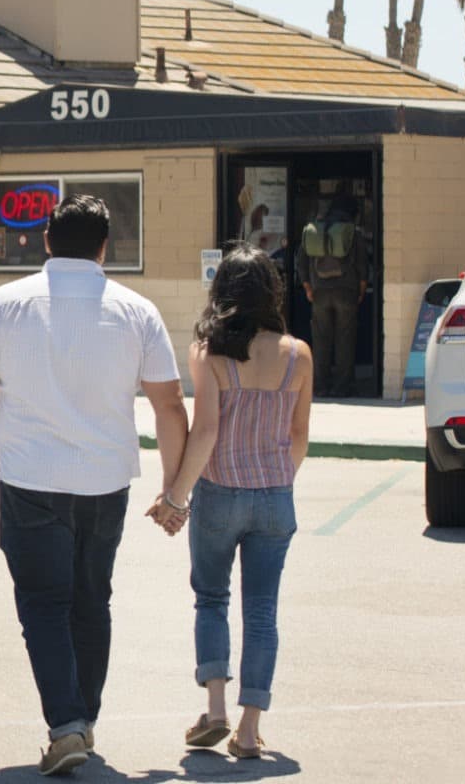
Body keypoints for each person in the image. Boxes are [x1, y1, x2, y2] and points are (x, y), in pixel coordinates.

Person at [0, 194, 191, 776]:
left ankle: (67, 725)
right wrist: (174, 487)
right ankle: (81, 719)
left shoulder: (5, 304)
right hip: (107, 483)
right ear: (106, 247)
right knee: (90, 599)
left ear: (47, 242)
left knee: (44, 604)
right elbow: (170, 406)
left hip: (32, 480)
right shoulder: (137, 310)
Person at [153, 245, 312, 761]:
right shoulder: (299, 354)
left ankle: (216, 709)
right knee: (263, 612)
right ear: (272, 292)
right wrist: (275, 479)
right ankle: (248, 730)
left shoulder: (209, 351)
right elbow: (299, 437)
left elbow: (206, 432)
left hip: (220, 492)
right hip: (275, 497)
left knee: (212, 598)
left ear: (222, 292)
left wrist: (175, 497)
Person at [298, 194, 367, 398]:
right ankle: (342, 387)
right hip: (346, 292)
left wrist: (308, 288)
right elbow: (363, 266)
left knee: (321, 341)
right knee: (345, 340)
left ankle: (320, 386)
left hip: (319, 293)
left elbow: (301, 262)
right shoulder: (352, 233)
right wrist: (361, 291)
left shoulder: (314, 231)